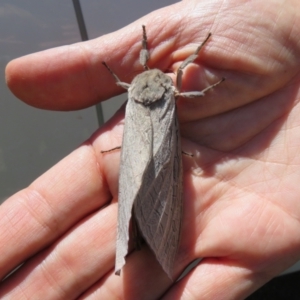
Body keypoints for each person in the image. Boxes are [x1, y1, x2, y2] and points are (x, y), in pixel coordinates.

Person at [1, 0, 300, 298]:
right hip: (159, 152)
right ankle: (142, 234)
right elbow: (184, 72)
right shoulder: (172, 88)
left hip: (148, 146)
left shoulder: (134, 88)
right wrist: (208, 84)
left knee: (144, 174)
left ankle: (139, 235)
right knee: (151, 178)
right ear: (168, 89)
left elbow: (121, 80)